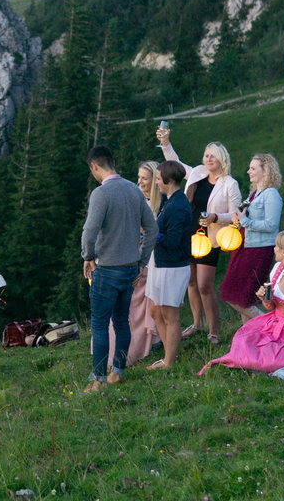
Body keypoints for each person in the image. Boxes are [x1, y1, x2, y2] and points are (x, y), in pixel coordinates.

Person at [80, 145, 159, 392]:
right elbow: (152, 229)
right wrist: (142, 261)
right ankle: (118, 372)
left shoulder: (101, 194)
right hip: (129, 268)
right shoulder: (133, 190)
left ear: (95, 166)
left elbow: (89, 232)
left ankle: (98, 380)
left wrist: (88, 256)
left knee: (101, 325)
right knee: (122, 323)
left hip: (106, 268)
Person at [198, 230, 284, 375]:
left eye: (277, 246)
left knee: (274, 358)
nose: (274, 249)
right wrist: (266, 299)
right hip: (274, 323)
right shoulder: (278, 269)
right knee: (244, 340)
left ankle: (263, 365)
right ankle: (255, 364)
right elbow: (272, 307)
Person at [157, 129, 242, 344]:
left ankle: (214, 330)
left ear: (222, 159)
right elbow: (175, 163)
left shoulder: (230, 184)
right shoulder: (197, 173)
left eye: (213, 155)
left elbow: (236, 216)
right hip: (190, 233)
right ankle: (197, 323)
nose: (209, 158)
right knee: (191, 282)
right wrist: (165, 143)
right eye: (206, 155)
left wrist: (215, 217)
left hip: (211, 238)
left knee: (205, 285)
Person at [105, 160, 163, 368]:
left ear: (155, 180)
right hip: (131, 259)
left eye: (144, 178)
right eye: (138, 178)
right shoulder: (135, 199)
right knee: (128, 309)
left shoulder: (160, 204)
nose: (140, 182)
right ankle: (125, 350)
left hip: (151, 261)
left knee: (144, 305)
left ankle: (148, 343)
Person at [223, 153, 284, 323]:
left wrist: (246, 221)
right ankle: (248, 340)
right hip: (245, 246)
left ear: (265, 171)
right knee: (244, 298)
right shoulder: (255, 194)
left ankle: (269, 324)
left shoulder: (271, 194)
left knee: (236, 296)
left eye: (253, 168)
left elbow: (272, 225)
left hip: (258, 250)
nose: (248, 171)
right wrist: (238, 218)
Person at [145, 160, 192, 369]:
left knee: (170, 315)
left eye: (157, 178)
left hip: (172, 267)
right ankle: (168, 353)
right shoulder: (170, 201)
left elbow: (173, 241)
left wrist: (152, 235)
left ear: (169, 180)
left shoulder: (178, 206)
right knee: (155, 311)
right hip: (162, 264)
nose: (156, 183)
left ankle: (169, 362)